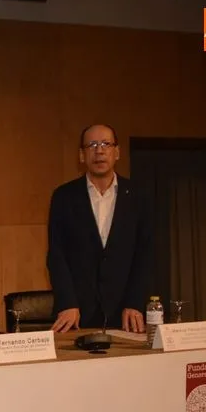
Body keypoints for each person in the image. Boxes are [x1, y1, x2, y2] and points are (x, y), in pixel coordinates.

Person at [47, 124, 152, 333]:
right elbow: (56, 254)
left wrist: (134, 301)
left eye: (106, 144)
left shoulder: (139, 196)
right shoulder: (64, 196)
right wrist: (68, 302)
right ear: (82, 155)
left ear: (117, 152)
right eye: (92, 145)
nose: (100, 151)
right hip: (76, 315)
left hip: (126, 314)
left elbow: (146, 253)